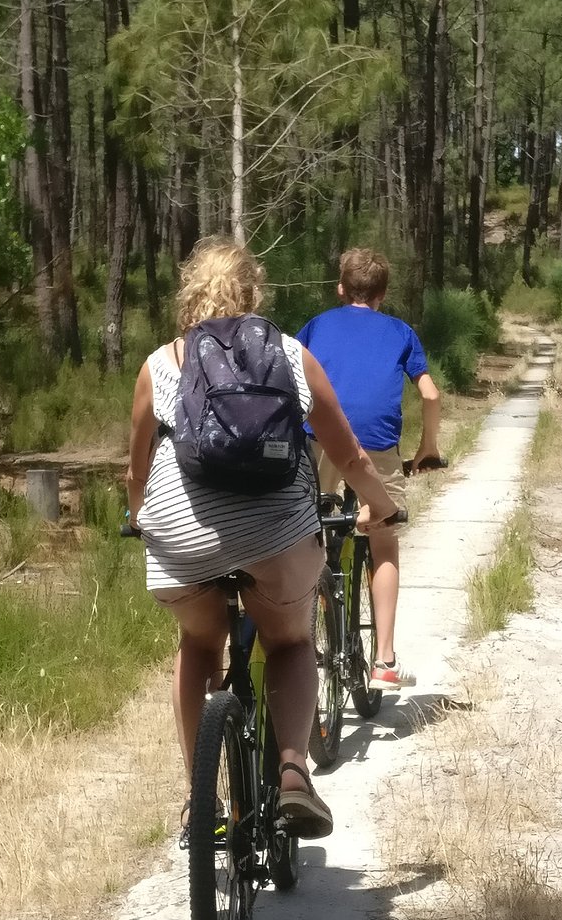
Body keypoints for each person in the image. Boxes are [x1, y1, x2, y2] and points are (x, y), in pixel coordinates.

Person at [126, 237, 399, 840]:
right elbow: (348, 456)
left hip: (181, 540)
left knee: (199, 644)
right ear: (254, 294)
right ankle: (295, 771)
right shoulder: (291, 355)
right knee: (291, 641)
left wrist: (140, 516)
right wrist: (384, 508)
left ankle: (201, 799)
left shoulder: (160, 363)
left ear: (190, 296)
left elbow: (137, 470)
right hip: (276, 535)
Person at [297, 248, 442, 690]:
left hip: (321, 439)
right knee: (384, 541)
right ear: (383, 292)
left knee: (310, 536)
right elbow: (431, 395)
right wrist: (427, 449)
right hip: (377, 446)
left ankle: (305, 637)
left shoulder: (317, 325)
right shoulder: (400, 331)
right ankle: (384, 661)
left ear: (341, 289)